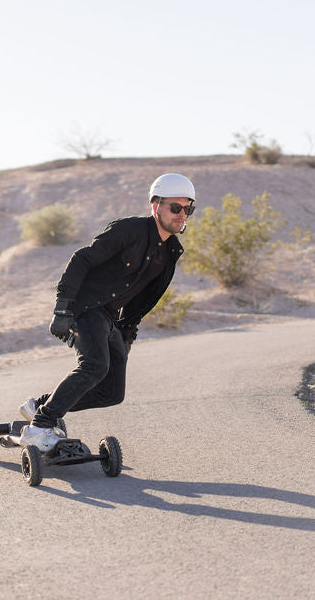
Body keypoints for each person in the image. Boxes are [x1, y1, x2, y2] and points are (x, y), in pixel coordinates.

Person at [17, 173, 196, 451]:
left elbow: (143, 301)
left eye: (188, 209)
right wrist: (63, 308)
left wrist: (127, 333)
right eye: (175, 207)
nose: (182, 214)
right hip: (87, 307)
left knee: (113, 392)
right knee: (95, 366)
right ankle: (39, 426)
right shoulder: (129, 230)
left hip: (110, 318)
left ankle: (39, 406)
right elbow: (82, 258)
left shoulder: (170, 253)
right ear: (155, 206)